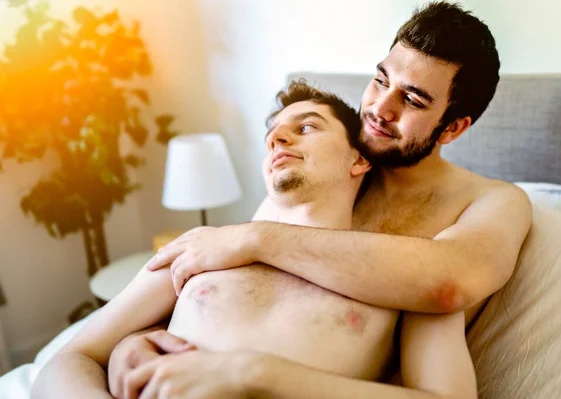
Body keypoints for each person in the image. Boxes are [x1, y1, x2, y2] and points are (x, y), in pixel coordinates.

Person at [106, 0, 532, 395]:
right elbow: (238, 301)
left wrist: (254, 237)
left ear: (454, 127)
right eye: (380, 80)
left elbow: (449, 283)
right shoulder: (325, 169)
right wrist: (132, 343)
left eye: (412, 99)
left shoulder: (494, 202)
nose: (379, 109)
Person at [32, 80, 477, 399]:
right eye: (273, 137)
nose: (278, 138)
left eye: (306, 128)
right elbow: (69, 361)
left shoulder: (402, 268)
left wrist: (257, 374)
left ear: (358, 159)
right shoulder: (202, 247)